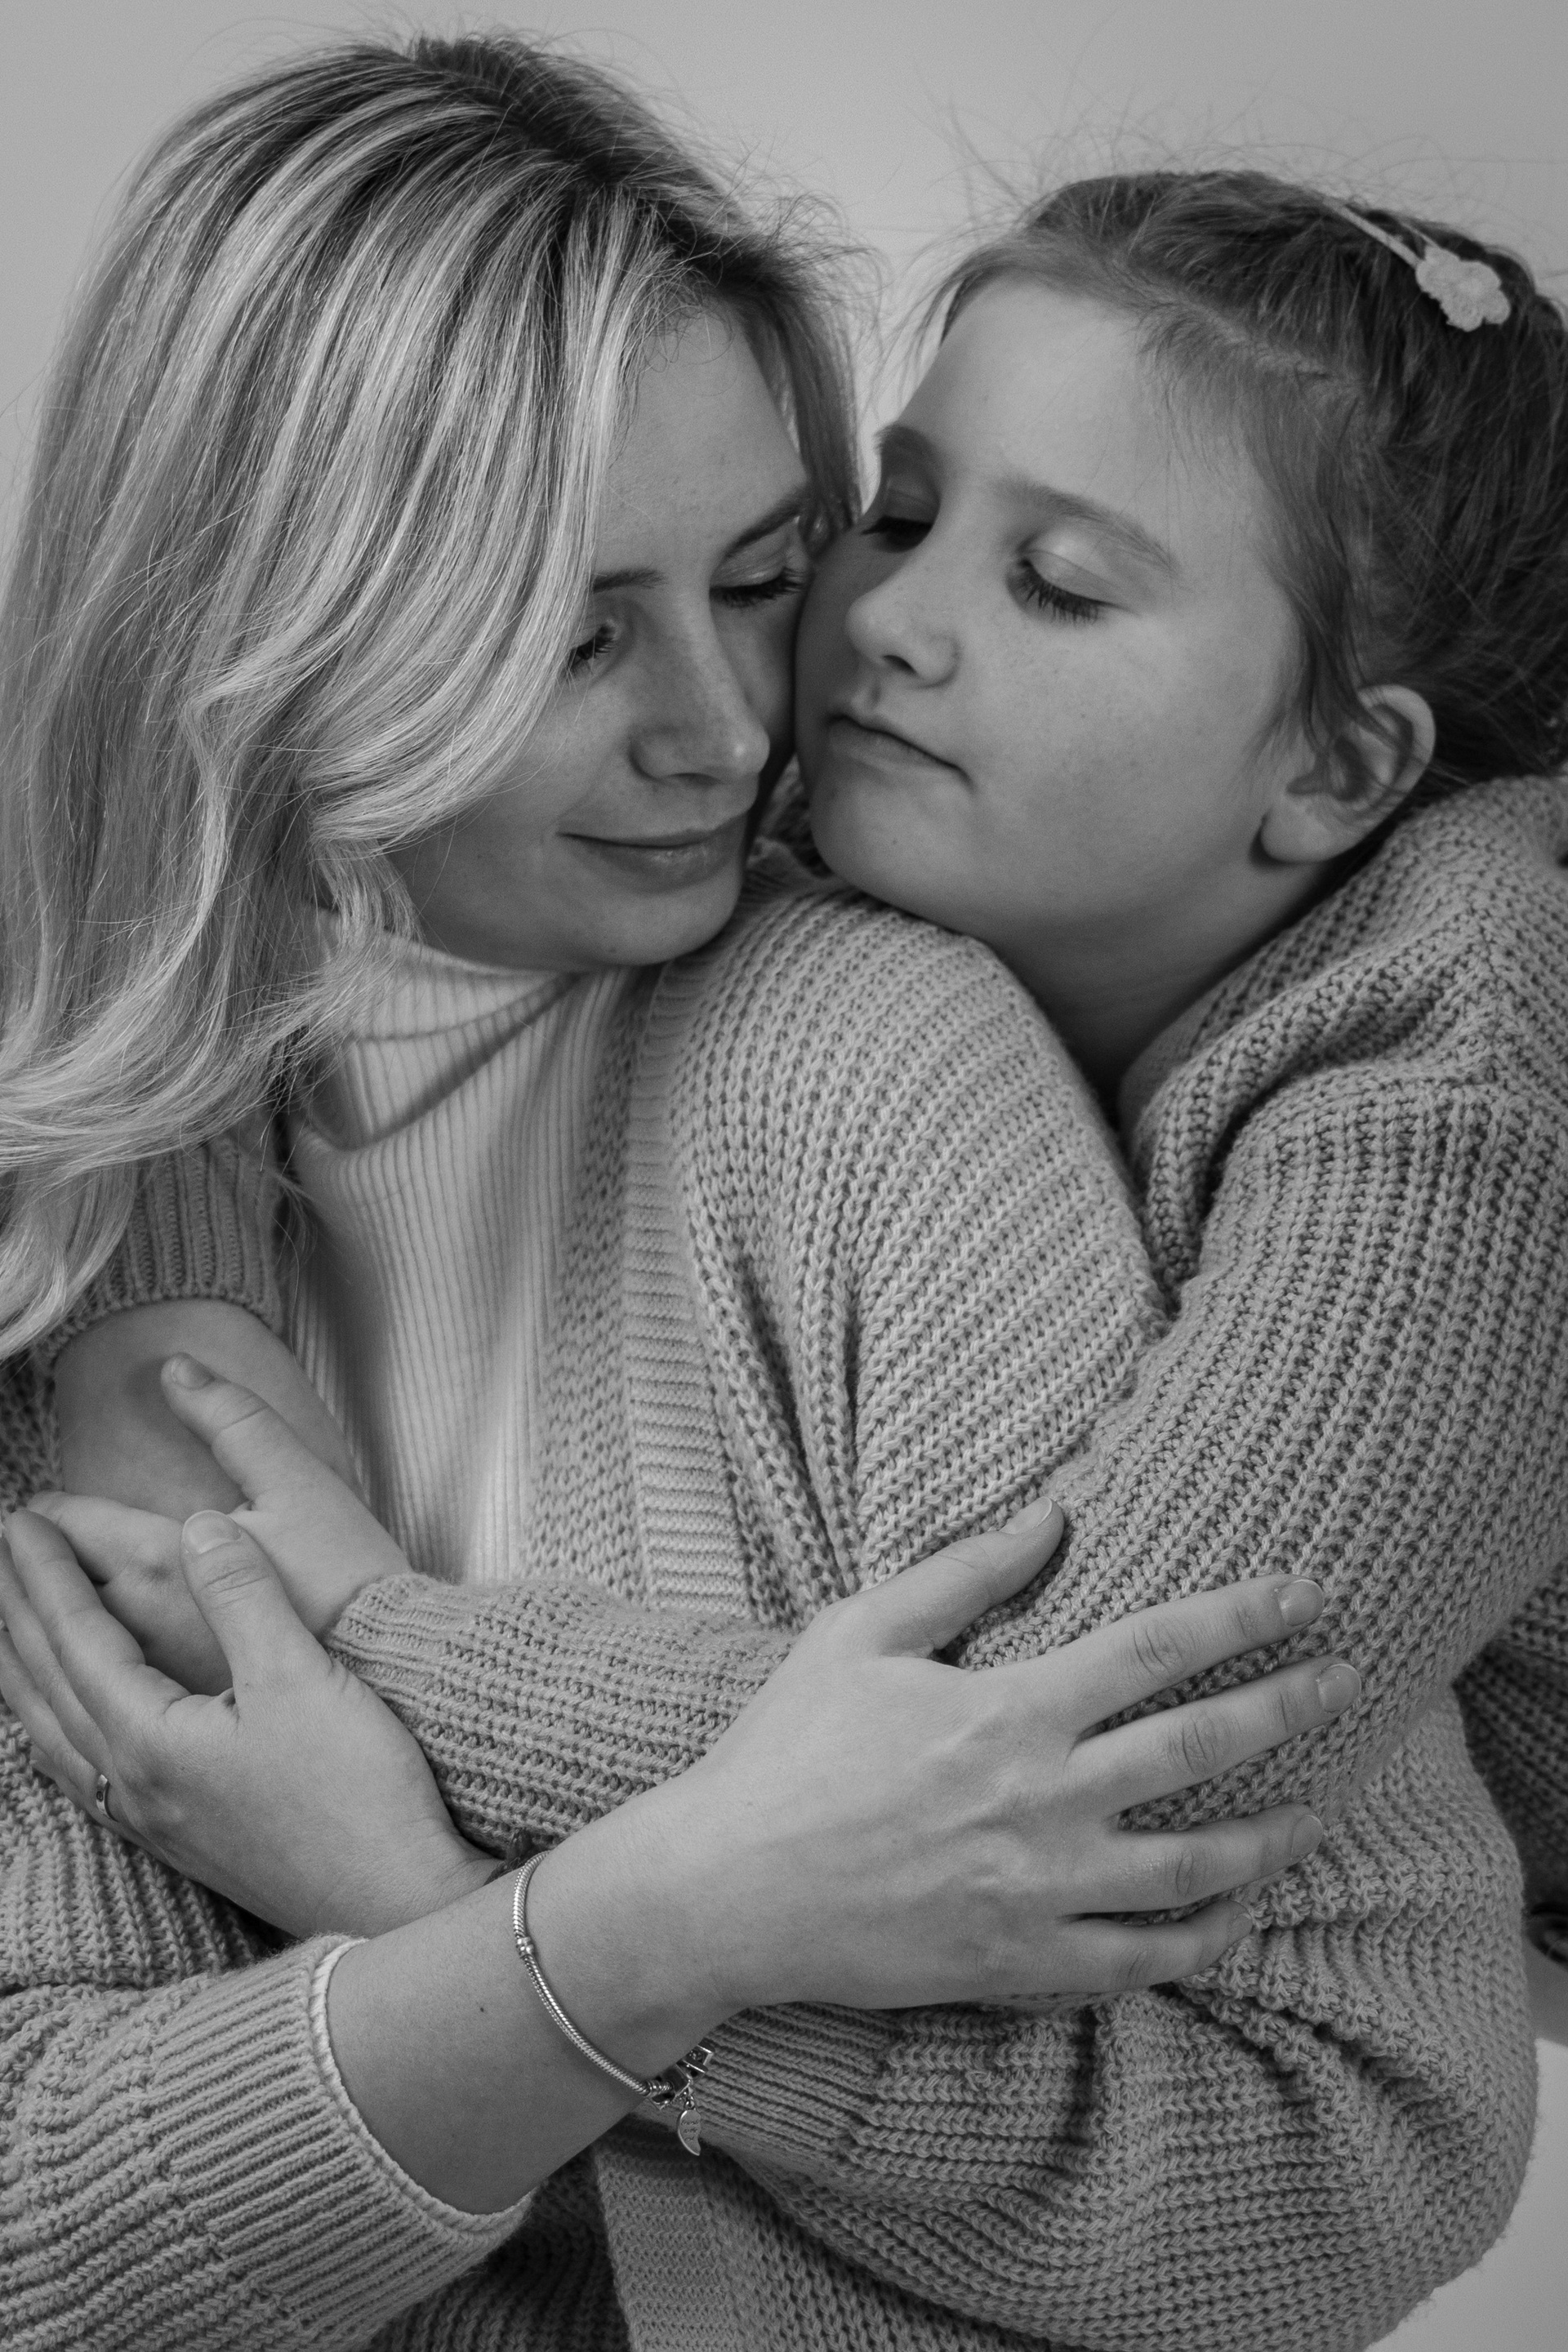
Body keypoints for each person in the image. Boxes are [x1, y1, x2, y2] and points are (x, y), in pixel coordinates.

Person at [2, 34, 1564, 2352]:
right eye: (571, 631)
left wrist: (446, 1830)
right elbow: (47, 2228)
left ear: (1346, 770)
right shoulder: (103, 1199)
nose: (742, 729)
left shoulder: (1343, 1076)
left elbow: (1050, 1819)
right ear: (267, 620)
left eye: (759, 576)